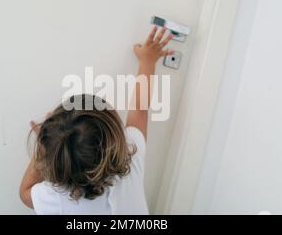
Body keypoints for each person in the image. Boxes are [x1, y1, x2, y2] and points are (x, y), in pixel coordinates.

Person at [19, 26, 174, 214]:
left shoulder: (57, 198)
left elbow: (25, 194)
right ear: (116, 134)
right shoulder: (131, 157)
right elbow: (140, 109)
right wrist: (148, 60)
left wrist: (45, 146)